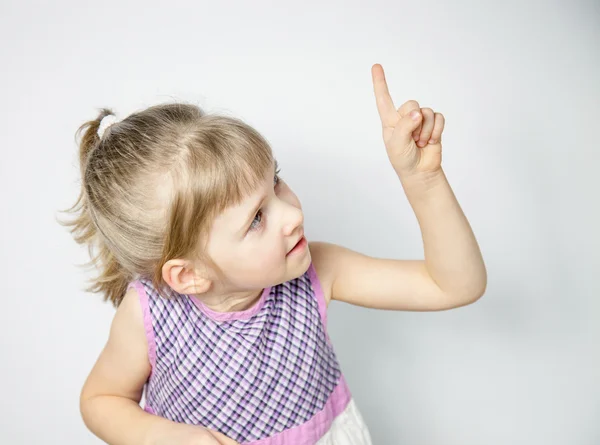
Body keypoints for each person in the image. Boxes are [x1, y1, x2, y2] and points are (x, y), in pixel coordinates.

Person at [59, 63, 487, 445]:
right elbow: (101, 399)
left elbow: (453, 285)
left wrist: (422, 179)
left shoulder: (320, 270)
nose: (292, 215)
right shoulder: (149, 314)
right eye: (257, 219)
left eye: (276, 182)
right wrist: (164, 436)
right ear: (188, 276)